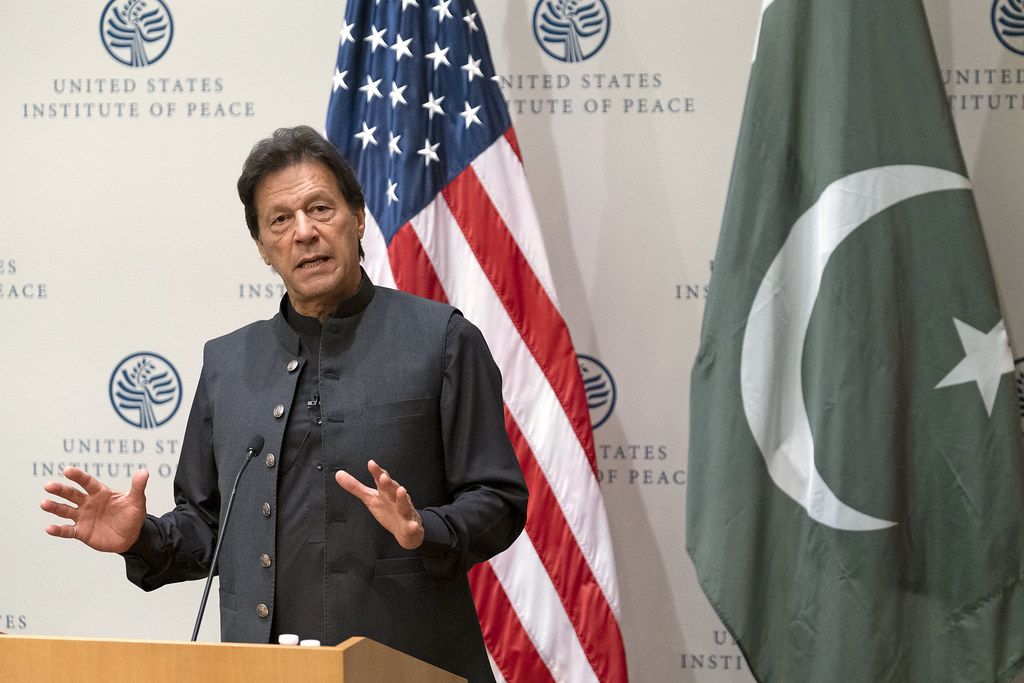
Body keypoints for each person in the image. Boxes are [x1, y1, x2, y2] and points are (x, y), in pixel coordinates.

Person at [40, 125, 529, 682]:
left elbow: (499, 497)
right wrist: (141, 537)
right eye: (280, 220)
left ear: (358, 217)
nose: (305, 232)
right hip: (264, 670)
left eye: (320, 209)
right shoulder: (227, 363)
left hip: (408, 664)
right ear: (262, 247)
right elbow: (207, 524)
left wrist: (426, 527)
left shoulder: (441, 339)